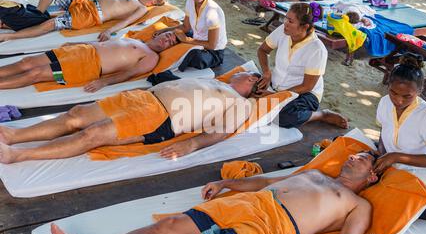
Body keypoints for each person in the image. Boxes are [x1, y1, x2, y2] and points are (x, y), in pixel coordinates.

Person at [50, 152, 378, 234]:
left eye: (361, 158)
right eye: (353, 155)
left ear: (372, 175)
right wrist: (226, 184)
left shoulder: (357, 204)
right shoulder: (314, 172)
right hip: (250, 203)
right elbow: (267, 181)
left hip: (273, 230)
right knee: (169, 226)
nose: (352, 157)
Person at [0, 72, 258, 164]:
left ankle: (17, 155)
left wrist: (190, 144)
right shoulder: (217, 81)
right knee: (76, 114)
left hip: (161, 116)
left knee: (92, 134)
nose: (239, 73)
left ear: (251, 80)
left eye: (245, 73)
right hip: (142, 98)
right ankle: (12, 135)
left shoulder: (241, 102)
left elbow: (222, 131)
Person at [374, 53, 426, 223]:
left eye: (407, 96)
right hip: (393, 164)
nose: (398, 100)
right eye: (393, 92)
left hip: (420, 174)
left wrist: (395, 157)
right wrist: (381, 154)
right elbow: (384, 132)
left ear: (419, 91)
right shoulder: (385, 102)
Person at [256, 2, 348, 129]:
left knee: (282, 117)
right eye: (286, 18)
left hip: (304, 93)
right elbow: (263, 50)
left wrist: (277, 96)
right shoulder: (283, 32)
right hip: (276, 85)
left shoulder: (317, 49)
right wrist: (266, 73)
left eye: (290, 21)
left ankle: (322, 115)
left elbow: (307, 86)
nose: (285, 23)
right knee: (251, 87)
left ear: (304, 26)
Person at [0, 0, 166, 42]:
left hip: (89, 16)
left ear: (153, 3)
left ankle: (7, 38)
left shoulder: (142, 8)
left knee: (51, 24)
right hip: (85, 4)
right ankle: (36, 14)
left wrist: (110, 31)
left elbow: (126, 21)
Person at [0, 31, 178, 91]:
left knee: (35, 73)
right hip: (81, 50)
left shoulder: (151, 57)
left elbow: (130, 73)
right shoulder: (135, 39)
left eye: (171, 43)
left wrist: (103, 82)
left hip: (86, 66)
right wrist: (77, 43)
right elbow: (104, 44)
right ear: (160, 33)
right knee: (27, 62)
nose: (167, 40)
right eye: (168, 36)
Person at [157, 0, 227, 71]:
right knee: (171, 36)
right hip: (196, 38)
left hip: (213, 52)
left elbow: (212, 45)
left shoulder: (212, 12)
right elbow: (186, 27)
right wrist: (165, 30)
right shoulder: (190, 1)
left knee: (195, 57)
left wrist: (186, 40)